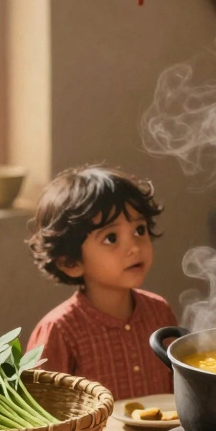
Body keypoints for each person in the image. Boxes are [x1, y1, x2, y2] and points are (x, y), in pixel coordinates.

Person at [26, 164, 176, 400]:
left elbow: (178, 390)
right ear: (70, 262)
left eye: (139, 230)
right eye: (111, 238)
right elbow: (42, 409)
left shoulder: (159, 312)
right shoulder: (60, 330)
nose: (134, 248)